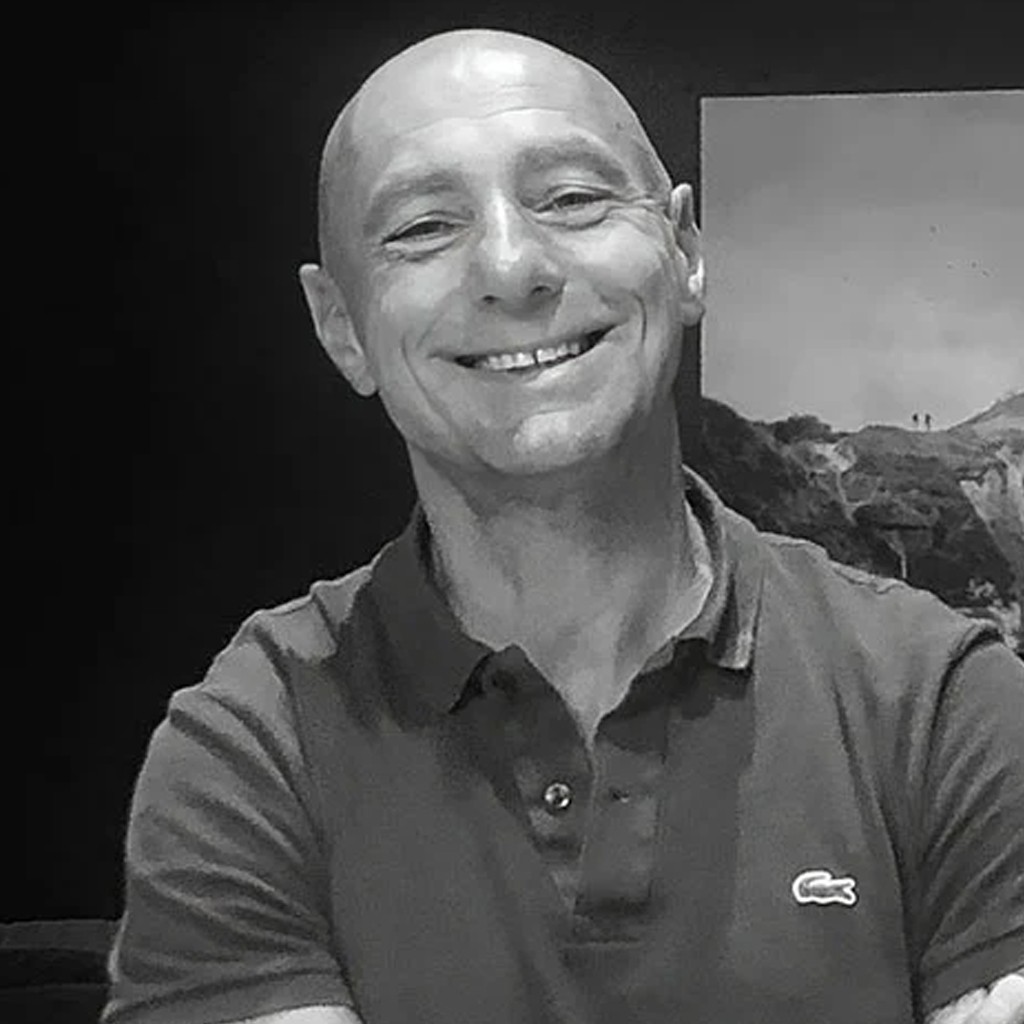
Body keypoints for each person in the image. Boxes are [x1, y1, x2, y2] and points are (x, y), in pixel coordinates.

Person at [103, 28, 1024, 1024]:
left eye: (573, 199)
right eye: (422, 227)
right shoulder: (250, 749)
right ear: (341, 327)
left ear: (685, 254)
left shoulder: (939, 703)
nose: (511, 267)